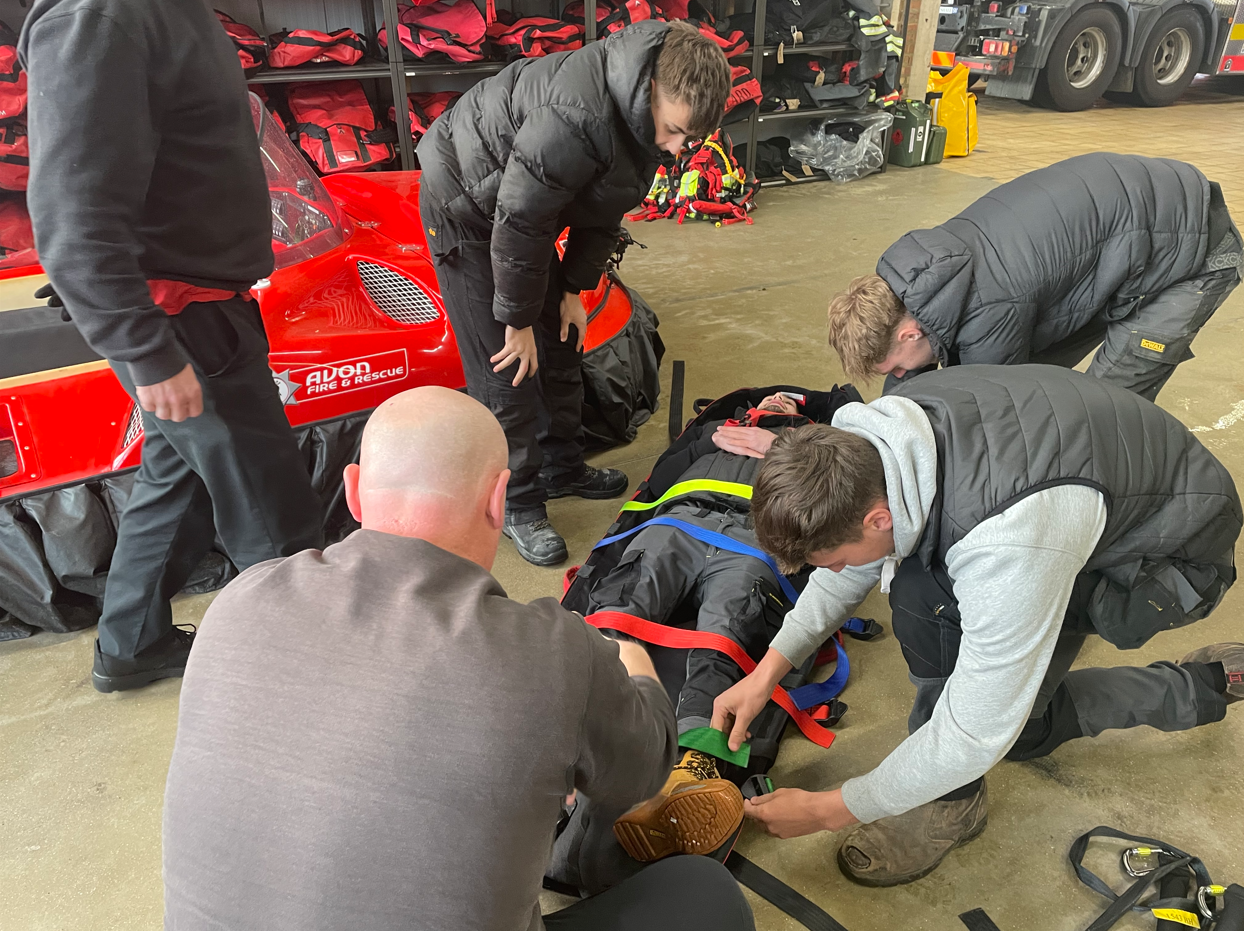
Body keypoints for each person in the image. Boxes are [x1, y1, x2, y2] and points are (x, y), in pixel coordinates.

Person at [162, 386, 755, 931]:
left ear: (352, 489)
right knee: (702, 892)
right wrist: (632, 661)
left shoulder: (241, 599)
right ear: (499, 501)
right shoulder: (553, 652)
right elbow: (645, 773)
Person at [710, 365, 1244, 887]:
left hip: (1168, 557)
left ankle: (1203, 685)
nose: (835, 574)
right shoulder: (875, 445)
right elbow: (856, 563)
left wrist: (833, 808)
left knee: (1014, 728)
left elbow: (973, 734)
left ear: (877, 518)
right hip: (1096, 494)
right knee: (920, 588)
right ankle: (951, 782)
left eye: (832, 560)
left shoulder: (1008, 544)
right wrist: (766, 674)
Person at [19, 0, 323, 692]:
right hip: (182, 318)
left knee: (175, 484)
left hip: (203, 307)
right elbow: (71, 208)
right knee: (274, 513)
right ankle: (316, 675)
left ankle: (132, 642)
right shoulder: (99, 18)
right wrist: (144, 347)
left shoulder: (166, 11)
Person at [417, 20, 732, 566]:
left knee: (561, 341)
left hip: (528, 205)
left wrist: (573, 291)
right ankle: (517, 504)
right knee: (506, 367)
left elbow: (604, 208)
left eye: (689, 138)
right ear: (652, 88)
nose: (679, 148)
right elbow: (519, 222)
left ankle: (564, 467)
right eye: (676, 130)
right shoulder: (575, 114)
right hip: (466, 203)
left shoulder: (643, 117)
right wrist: (514, 319)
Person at [825, 153, 1242, 398]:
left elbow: (993, 411)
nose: (900, 376)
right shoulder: (919, 276)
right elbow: (920, 381)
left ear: (909, 333)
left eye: (894, 368)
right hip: (1122, 241)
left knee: (1103, 407)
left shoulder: (991, 307)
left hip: (1192, 246)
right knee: (1037, 377)